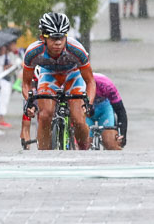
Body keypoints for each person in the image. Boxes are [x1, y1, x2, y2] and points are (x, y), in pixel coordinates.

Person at [22, 12, 96, 150]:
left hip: (72, 74)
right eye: (53, 37)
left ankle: (85, 150)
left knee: (79, 119)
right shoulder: (33, 52)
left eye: (61, 37)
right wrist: (29, 102)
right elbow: (26, 83)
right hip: (49, 74)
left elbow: (90, 81)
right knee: (44, 115)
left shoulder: (77, 50)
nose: (58, 42)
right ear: (42, 37)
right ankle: (45, 157)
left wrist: (89, 103)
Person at [87, 72, 128, 150]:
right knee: (84, 142)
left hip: (104, 109)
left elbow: (120, 111)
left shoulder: (106, 85)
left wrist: (122, 134)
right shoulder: (78, 82)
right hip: (86, 112)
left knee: (110, 143)